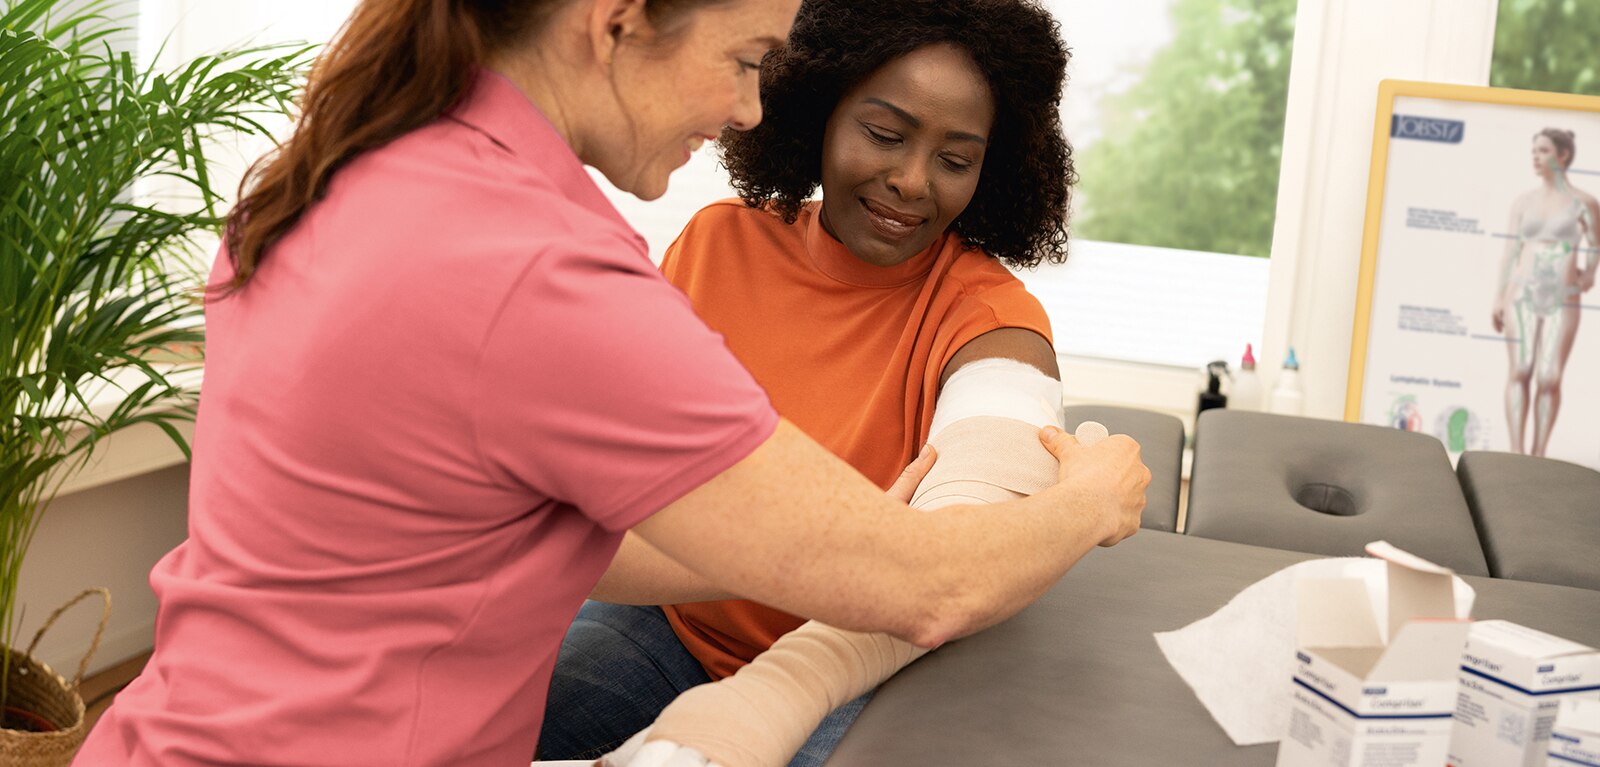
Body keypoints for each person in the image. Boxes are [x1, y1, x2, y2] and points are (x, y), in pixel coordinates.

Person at [74, 0, 1148, 765]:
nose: (743, 108)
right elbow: (929, 583)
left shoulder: (325, 170)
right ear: (617, 21)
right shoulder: (550, 270)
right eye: (743, 60)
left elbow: (521, 532)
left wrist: (797, 556)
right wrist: (1089, 499)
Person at [538, 2, 1098, 765]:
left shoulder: (995, 321)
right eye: (885, 134)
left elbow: (958, 558)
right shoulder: (718, 242)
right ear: (819, 110)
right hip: (668, 625)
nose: (911, 181)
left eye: (955, 159)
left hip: (847, 667)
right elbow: (600, 487)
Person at [1493, 128, 1600, 456]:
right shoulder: (1524, 202)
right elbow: (1511, 251)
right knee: (1520, 370)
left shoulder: (1584, 202)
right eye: (1533, 151)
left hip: (1562, 295)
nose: (1535, 157)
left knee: (1549, 376)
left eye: (1542, 150)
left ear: (1562, 155)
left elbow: (1596, 243)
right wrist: (1499, 296)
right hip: (1522, 293)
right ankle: (1516, 450)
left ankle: (1538, 453)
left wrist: (1589, 273)